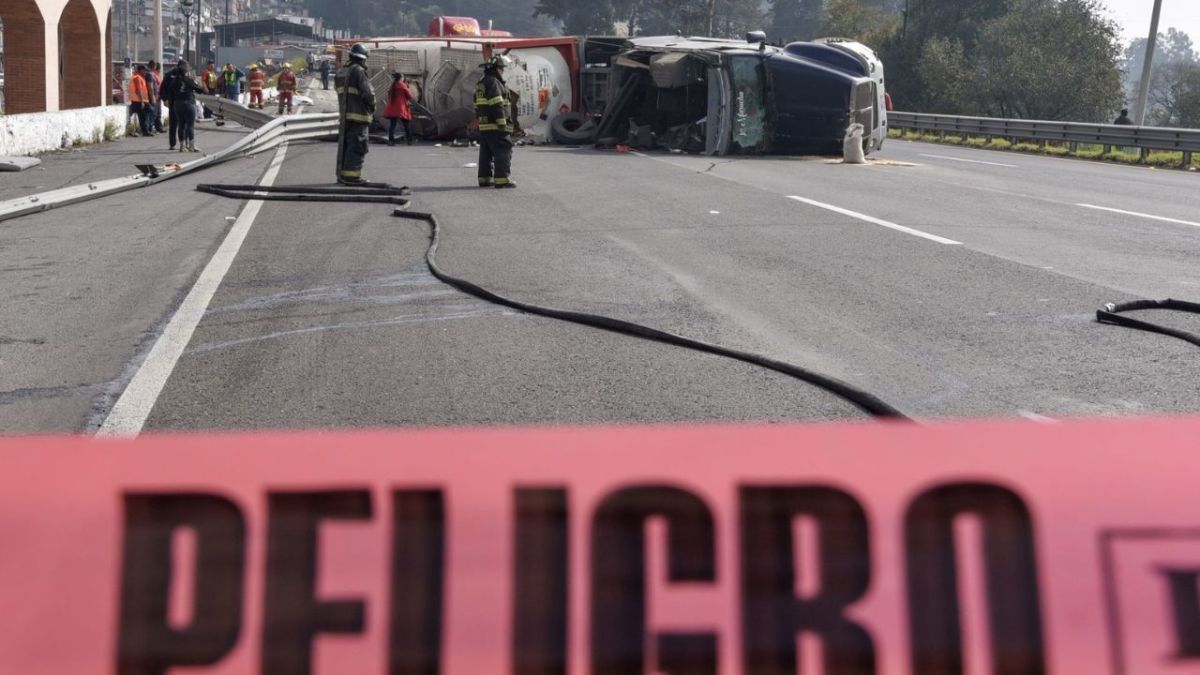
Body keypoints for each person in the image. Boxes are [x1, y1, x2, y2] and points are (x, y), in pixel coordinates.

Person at [334, 43, 376, 185]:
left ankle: (343, 175)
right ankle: (352, 177)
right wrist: (372, 107)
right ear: (362, 58)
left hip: (345, 117)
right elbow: (368, 93)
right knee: (358, 146)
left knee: (345, 146)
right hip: (359, 116)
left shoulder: (341, 72)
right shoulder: (358, 71)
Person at [474, 54, 516, 188]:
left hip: (485, 125)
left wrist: (481, 119)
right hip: (496, 125)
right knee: (503, 149)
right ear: (496, 68)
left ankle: (484, 178)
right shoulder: (493, 82)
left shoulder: (482, 82)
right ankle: (502, 179)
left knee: (486, 153)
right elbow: (496, 103)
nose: (503, 71)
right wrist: (502, 123)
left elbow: (476, 105)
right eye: (501, 68)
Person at [169, 59, 206, 153]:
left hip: (177, 103)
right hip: (188, 102)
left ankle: (182, 146)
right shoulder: (188, 80)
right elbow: (199, 90)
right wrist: (201, 84)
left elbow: (170, 92)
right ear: (185, 71)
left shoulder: (174, 81)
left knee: (181, 125)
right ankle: (191, 146)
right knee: (190, 125)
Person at [384, 73, 414, 146]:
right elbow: (409, 96)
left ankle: (391, 141)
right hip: (401, 108)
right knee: (406, 125)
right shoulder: (402, 85)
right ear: (401, 78)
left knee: (392, 125)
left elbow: (389, 96)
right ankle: (409, 140)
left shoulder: (392, 86)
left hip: (392, 108)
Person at [159, 60, 183, 149]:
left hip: (182, 102)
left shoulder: (187, 74)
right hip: (174, 102)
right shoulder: (170, 74)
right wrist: (165, 99)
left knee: (182, 125)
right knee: (174, 124)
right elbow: (162, 89)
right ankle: (173, 144)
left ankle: (182, 144)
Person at [129, 64, 153, 137]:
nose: (146, 72)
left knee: (144, 116)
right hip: (138, 101)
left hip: (141, 100)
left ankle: (145, 131)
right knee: (146, 113)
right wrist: (142, 101)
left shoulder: (140, 77)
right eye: (144, 70)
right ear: (140, 70)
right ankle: (145, 131)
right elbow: (138, 90)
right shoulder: (137, 78)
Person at [146, 61, 164, 134]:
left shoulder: (154, 74)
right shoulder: (150, 74)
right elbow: (150, 87)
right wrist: (153, 96)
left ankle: (158, 127)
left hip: (158, 95)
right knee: (153, 113)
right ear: (154, 66)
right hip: (154, 96)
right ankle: (151, 128)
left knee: (158, 112)